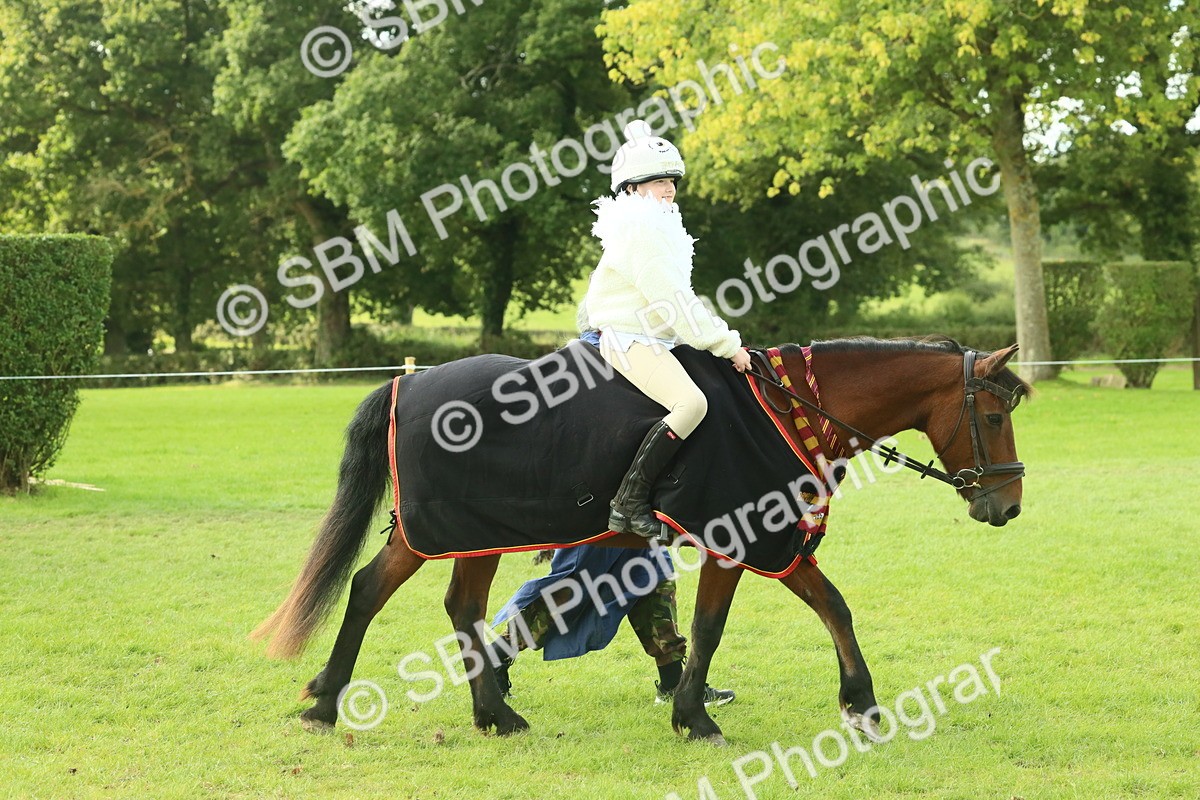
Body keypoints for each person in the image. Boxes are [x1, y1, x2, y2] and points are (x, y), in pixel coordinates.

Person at [585, 118, 752, 541]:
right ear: (631, 189)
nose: (669, 188)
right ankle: (629, 500)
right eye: (657, 180)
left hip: (657, 337)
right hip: (629, 336)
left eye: (671, 179)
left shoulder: (659, 226)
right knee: (691, 404)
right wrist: (727, 345)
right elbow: (676, 302)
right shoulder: (641, 231)